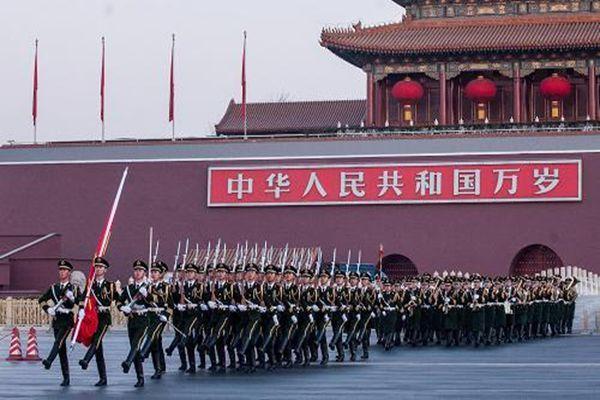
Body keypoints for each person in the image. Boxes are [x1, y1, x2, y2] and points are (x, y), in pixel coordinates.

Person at [38, 260, 80, 387]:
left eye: (64, 270)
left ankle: (49, 361)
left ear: (69, 272)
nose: (62, 272)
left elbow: (80, 301)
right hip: (57, 320)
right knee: (61, 350)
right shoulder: (54, 288)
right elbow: (41, 300)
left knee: (58, 342)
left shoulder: (73, 288)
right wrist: (48, 309)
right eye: (60, 270)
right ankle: (66, 378)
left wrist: (73, 298)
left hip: (67, 320)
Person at [78, 256, 116, 387]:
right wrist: (81, 309)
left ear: (105, 270)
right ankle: (103, 378)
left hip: (104, 317)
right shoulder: (90, 285)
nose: (98, 269)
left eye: (101, 267)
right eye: (97, 267)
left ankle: (86, 360)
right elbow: (83, 298)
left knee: (97, 340)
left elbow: (120, 298)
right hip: (93, 317)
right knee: (98, 349)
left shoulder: (110, 285)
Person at [119, 259, 150, 387]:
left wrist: (147, 295)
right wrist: (124, 309)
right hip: (132, 320)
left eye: (140, 270)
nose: (137, 272)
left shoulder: (149, 287)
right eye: (136, 270)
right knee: (135, 348)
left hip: (144, 319)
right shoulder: (129, 288)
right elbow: (119, 302)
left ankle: (127, 362)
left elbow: (154, 303)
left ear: (144, 272)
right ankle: (140, 377)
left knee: (136, 343)